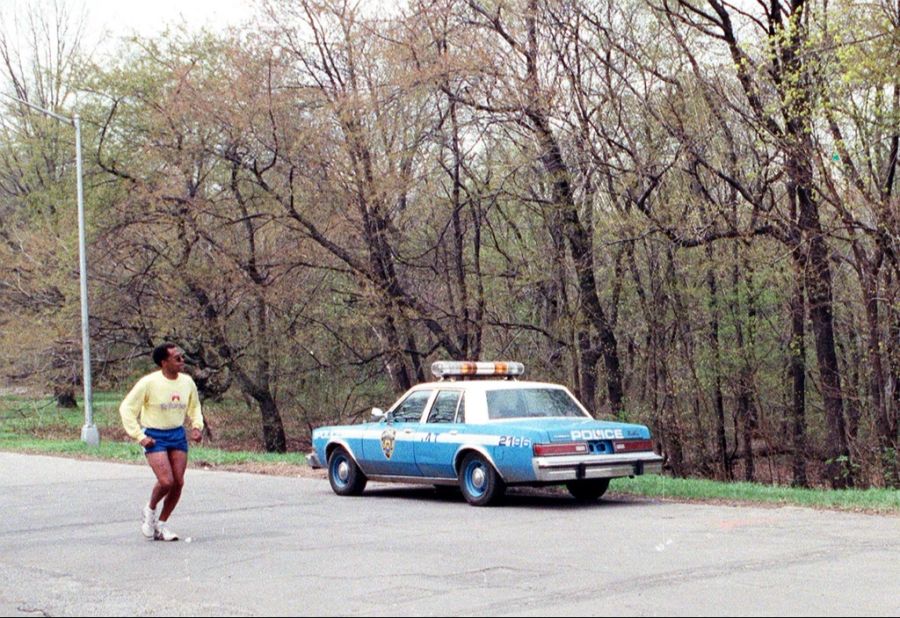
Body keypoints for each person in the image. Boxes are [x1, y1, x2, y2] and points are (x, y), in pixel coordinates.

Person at [119, 343, 204, 541]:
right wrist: (139, 435)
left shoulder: (187, 382)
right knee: (166, 481)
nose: (182, 361)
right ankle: (149, 510)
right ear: (164, 362)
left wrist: (197, 426)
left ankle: (162, 524)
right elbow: (127, 409)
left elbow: (194, 406)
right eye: (177, 358)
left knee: (178, 482)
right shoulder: (149, 383)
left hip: (177, 434)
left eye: (182, 357)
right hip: (155, 436)